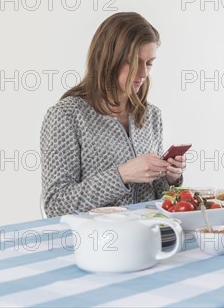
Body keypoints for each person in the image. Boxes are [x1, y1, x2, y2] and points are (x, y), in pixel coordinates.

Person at [41, 12, 186, 217]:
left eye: (149, 63)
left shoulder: (151, 115)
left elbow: (159, 197)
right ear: (108, 59)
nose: (144, 73)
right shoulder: (66, 116)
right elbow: (56, 204)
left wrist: (170, 178)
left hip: (150, 235)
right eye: (134, 62)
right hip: (96, 242)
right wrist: (122, 175)